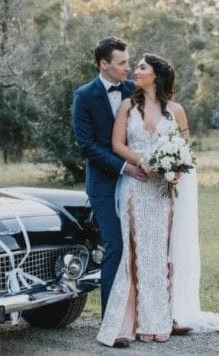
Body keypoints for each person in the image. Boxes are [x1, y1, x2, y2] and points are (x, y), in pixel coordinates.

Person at [97, 53, 219, 346]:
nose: (135, 71)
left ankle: (156, 321)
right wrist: (145, 162)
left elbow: (185, 151)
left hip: (161, 192)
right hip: (135, 186)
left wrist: (173, 170)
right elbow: (116, 144)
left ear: (156, 75)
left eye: (141, 67)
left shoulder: (176, 111)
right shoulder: (128, 105)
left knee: (159, 255)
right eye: (135, 66)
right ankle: (127, 323)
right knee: (134, 253)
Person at [72, 37, 147, 348]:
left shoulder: (134, 91)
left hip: (137, 183)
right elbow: (86, 145)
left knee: (139, 247)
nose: (128, 68)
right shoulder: (84, 96)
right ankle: (111, 323)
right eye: (122, 63)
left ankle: (141, 317)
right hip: (104, 184)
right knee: (115, 247)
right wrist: (122, 167)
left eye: (129, 63)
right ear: (104, 64)